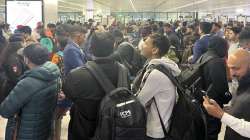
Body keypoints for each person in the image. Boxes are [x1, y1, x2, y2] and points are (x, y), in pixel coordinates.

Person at [63, 32, 126, 140]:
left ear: (90, 48)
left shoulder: (77, 75)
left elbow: (68, 94)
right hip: (113, 129)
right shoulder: (123, 71)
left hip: (85, 129)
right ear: (114, 46)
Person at [0, 43, 61, 140]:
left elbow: (5, 111)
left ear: (26, 59)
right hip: (45, 128)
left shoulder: (27, 83)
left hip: (27, 133)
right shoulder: (54, 73)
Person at [136, 33, 181, 140]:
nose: (142, 45)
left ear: (155, 50)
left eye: (146, 43)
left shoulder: (155, 73)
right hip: (165, 123)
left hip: (155, 129)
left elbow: (139, 101)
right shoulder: (165, 65)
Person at [200, 36, 229, 140]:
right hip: (213, 101)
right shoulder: (217, 61)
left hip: (203, 99)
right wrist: (228, 97)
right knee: (212, 130)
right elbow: (221, 86)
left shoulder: (204, 56)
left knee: (206, 129)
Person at [223, 49, 250, 140]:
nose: (232, 73)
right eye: (230, 68)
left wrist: (221, 115)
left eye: (236, 68)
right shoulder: (242, 82)